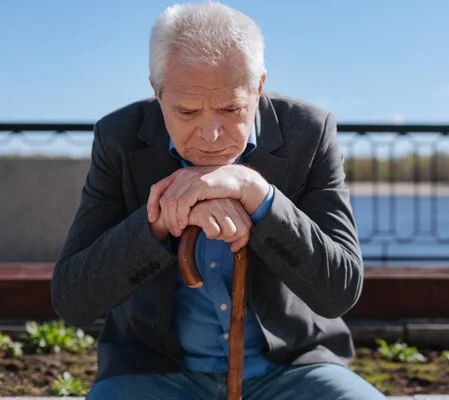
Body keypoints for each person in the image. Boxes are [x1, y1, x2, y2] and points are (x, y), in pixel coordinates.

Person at [51, 2, 386, 399]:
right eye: (187, 111)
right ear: (157, 92)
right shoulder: (118, 138)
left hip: (293, 367)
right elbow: (72, 299)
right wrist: (159, 222)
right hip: (153, 372)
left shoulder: (309, 133)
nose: (210, 137)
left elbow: (340, 290)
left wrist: (258, 196)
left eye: (232, 109)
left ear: (259, 86)